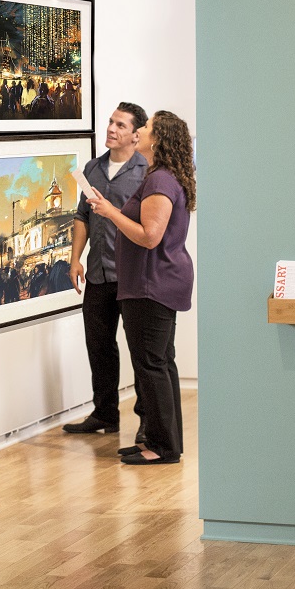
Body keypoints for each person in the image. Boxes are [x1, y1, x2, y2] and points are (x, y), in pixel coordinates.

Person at [87, 110, 195, 465]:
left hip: (151, 284)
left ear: (157, 139)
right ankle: (166, 442)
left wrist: (110, 212)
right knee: (161, 362)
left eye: (146, 128)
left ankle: (161, 447)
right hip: (156, 281)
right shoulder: (161, 176)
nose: (140, 132)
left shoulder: (159, 180)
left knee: (151, 365)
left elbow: (150, 237)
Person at [62, 102, 149, 437]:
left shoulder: (146, 171)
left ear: (136, 135)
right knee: (99, 347)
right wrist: (75, 259)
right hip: (98, 275)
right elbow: (82, 216)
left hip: (133, 276)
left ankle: (147, 423)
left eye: (121, 125)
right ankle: (105, 414)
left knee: (141, 353)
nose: (111, 129)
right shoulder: (92, 168)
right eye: (111, 122)